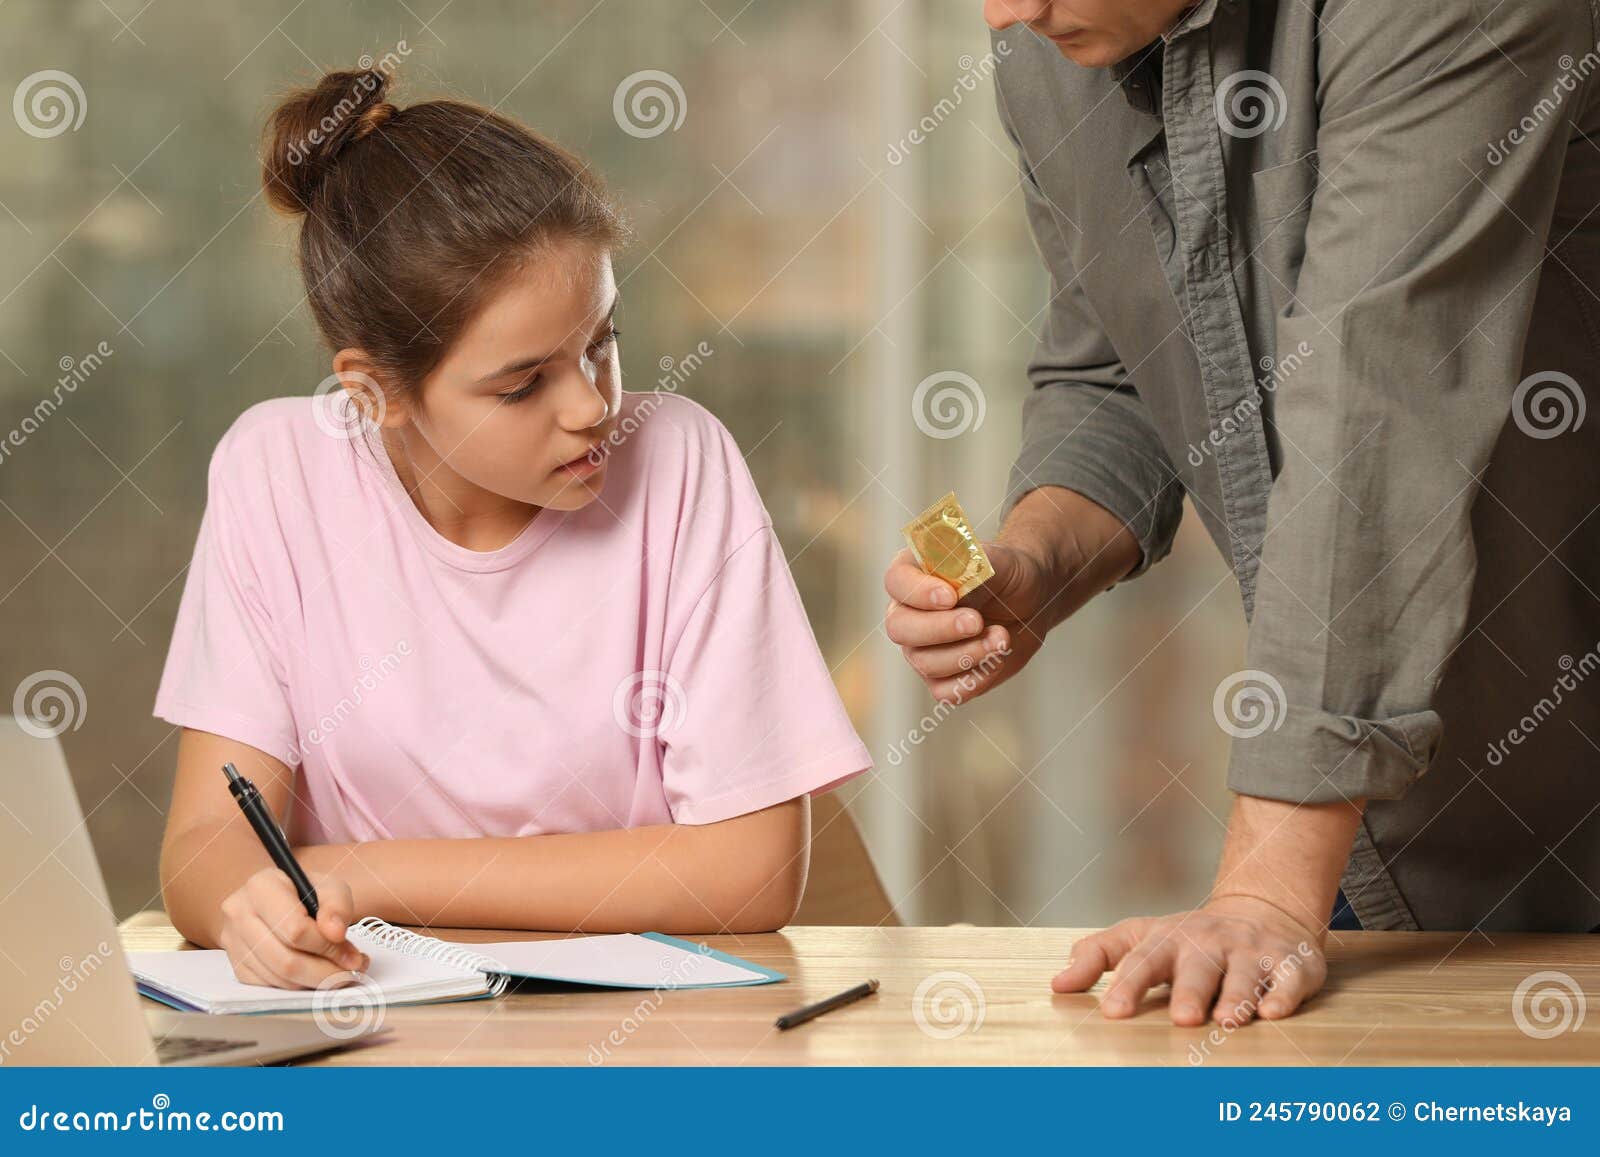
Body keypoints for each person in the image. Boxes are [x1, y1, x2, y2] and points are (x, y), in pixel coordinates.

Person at [886, 0, 1600, 1024]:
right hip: (1375, 831)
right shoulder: (1045, 52)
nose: (1007, 12)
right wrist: (1036, 560)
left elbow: (1377, 404)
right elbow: (1115, 366)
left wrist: (1263, 889)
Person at [155, 65, 871, 990]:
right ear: (375, 390)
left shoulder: (682, 463)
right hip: (371, 1030)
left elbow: (754, 870)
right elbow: (203, 848)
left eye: (602, 341)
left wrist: (344, 874)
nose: (589, 406)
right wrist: (248, 912)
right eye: (523, 383)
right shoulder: (275, 471)